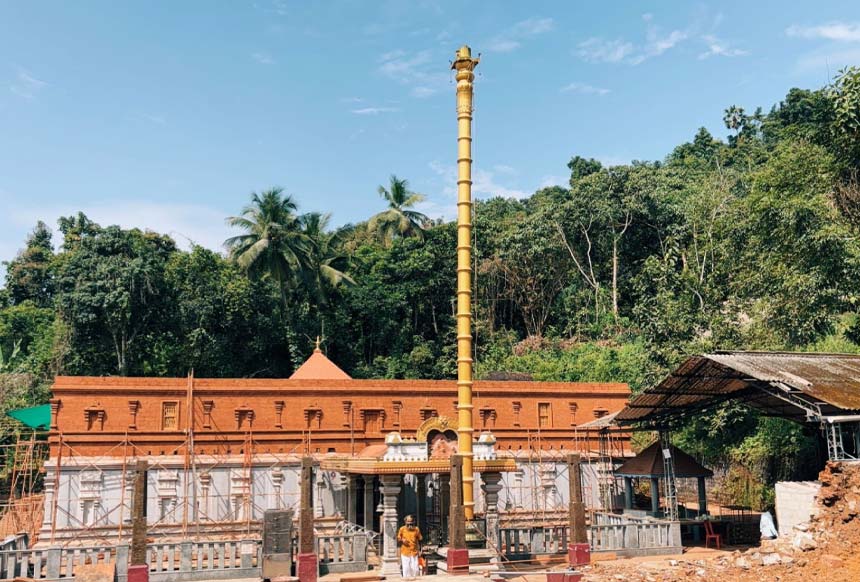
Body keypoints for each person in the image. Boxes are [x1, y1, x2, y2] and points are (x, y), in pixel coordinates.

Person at [397, 514, 423, 579]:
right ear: (405, 522)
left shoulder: (416, 529)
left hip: (414, 552)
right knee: (406, 568)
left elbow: (420, 539)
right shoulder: (402, 529)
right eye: (408, 522)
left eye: (411, 522)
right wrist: (402, 540)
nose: (410, 524)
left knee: (415, 569)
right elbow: (398, 538)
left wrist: (420, 550)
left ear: (413, 522)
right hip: (405, 552)